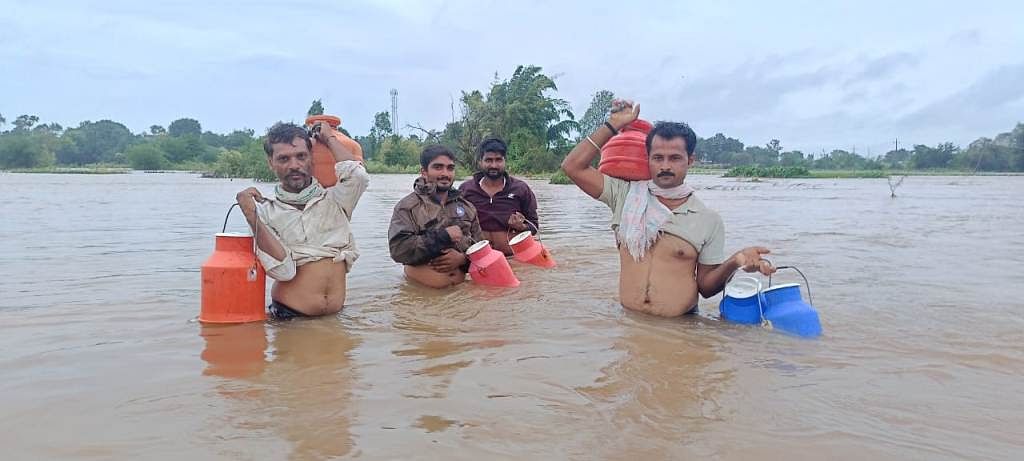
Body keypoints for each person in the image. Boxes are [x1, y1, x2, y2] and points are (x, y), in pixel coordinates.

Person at [560, 99, 775, 317]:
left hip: (680, 330)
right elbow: (572, 166)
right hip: (629, 325)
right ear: (648, 159)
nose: (665, 166)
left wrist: (736, 261)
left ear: (690, 160)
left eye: (674, 158)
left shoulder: (707, 219)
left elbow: (707, 288)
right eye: (657, 158)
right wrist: (612, 125)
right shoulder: (625, 196)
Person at [235, 122, 369, 319]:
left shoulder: (335, 199)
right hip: (289, 318)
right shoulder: (265, 213)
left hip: (334, 318)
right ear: (271, 163)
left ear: (311, 159)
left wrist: (329, 137)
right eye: (283, 159)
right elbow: (284, 271)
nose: (294, 166)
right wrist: (251, 216)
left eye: (301, 156)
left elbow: (358, 176)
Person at [388, 145, 482, 288]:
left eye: (450, 168)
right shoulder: (407, 207)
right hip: (421, 297)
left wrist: (463, 259)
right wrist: (443, 236)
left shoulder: (467, 207)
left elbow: (482, 250)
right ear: (424, 172)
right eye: (438, 167)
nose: (445, 173)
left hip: (462, 294)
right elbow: (399, 251)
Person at [458, 138, 539, 255]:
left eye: (498, 160)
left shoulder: (520, 189)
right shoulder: (466, 189)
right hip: (479, 259)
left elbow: (534, 227)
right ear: (480, 161)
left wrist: (521, 226)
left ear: (505, 161)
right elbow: (456, 224)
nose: (494, 165)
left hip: (514, 259)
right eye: (488, 160)